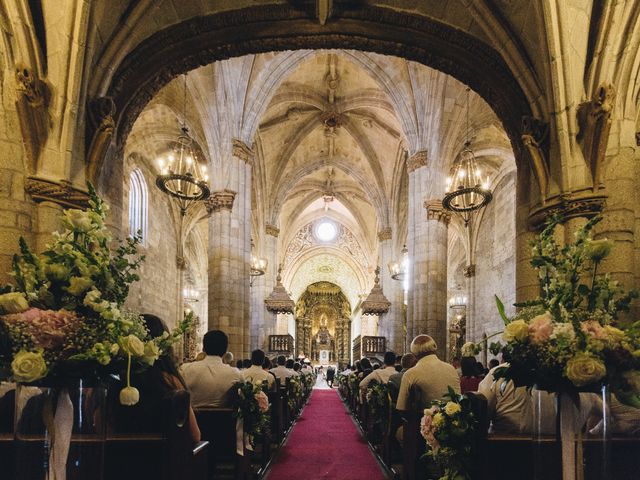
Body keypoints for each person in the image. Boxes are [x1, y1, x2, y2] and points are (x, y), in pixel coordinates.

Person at [114, 314, 201, 442]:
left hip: (116, 459)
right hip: (163, 459)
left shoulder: (113, 380)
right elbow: (194, 435)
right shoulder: (170, 381)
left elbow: (100, 427)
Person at [396, 335, 460, 411]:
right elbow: (458, 399)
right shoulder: (451, 369)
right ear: (435, 349)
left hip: (424, 421)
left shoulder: (410, 374)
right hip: (455, 419)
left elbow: (401, 407)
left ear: (414, 354)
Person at [181, 329, 243, 408]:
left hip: (192, 419)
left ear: (203, 349)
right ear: (226, 351)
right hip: (224, 420)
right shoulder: (235, 373)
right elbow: (243, 398)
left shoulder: (186, 369)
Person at [477, 358, 532, 434]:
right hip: (548, 441)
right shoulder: (550, 372)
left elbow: (482, 413)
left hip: (503, 440)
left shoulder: (498, 373)